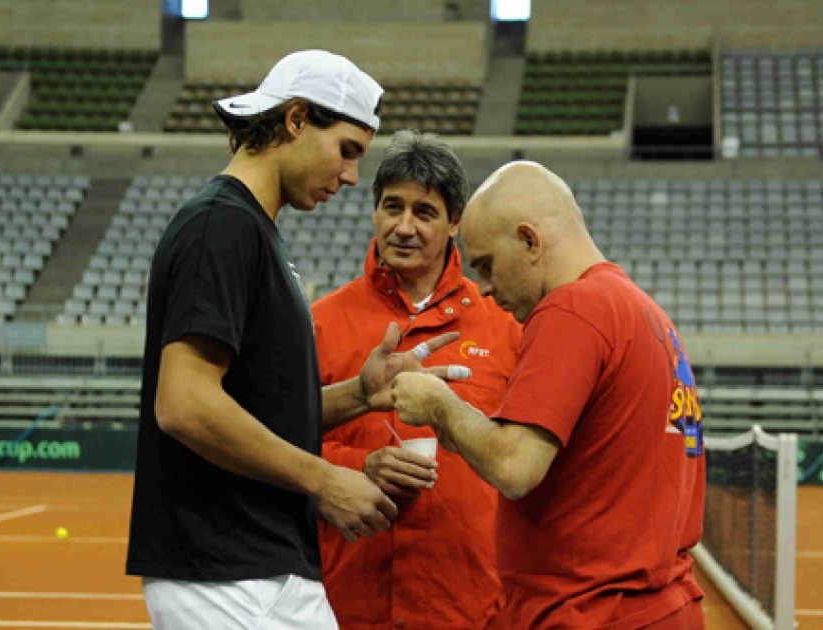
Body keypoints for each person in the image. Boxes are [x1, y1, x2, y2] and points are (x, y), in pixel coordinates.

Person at [125, 51, 468, 630]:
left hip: (263, 567)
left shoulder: (255, 233)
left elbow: (261, 409)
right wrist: (325, 478)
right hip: (224, 569)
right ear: (297, 119)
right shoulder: (221, 226)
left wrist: (361, 394)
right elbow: (183, 403)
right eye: (348, 151)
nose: (353, 176)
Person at [391, 161, 707, 629]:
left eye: (487, 264)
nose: (486, 287)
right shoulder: (645, 313)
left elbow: (514, 466)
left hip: (593, 611)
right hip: (656, 605)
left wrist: (438, 403)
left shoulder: (572, 307)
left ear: (530, 241)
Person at [312, 130, 521, 629]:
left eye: (424, 213)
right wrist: (357, 465)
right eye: (392, 207)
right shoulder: (321, 322)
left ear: (455, 222)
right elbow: (277, 441)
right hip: (348, 602)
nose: (404, 227)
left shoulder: (506, 325)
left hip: (472, 606)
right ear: (374, 212)